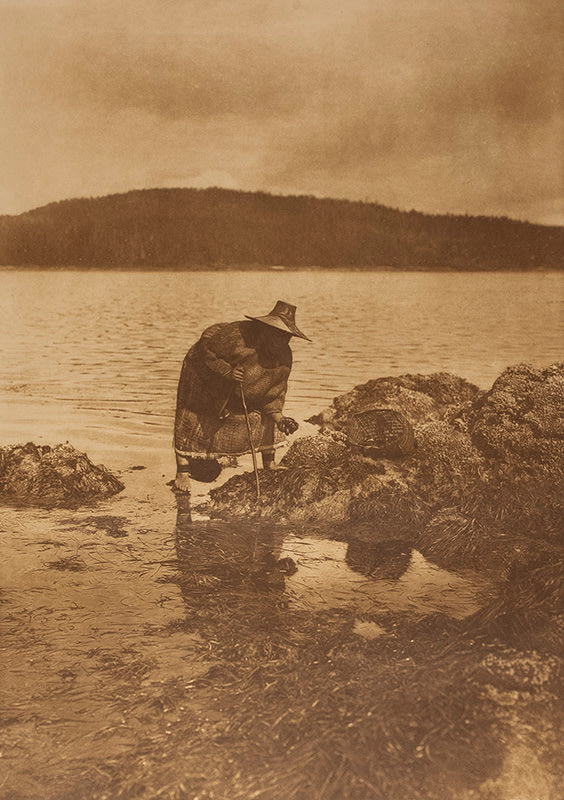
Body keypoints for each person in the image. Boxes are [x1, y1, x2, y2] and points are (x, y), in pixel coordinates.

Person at [174, 300, 311, 493]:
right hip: (202, 373)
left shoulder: (284, 357)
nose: (281, 341)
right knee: (191, 416)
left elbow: (274, 395)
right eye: (277, 335)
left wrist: (280, 418)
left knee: (262, 418)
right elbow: (206, 349)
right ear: (265, 330)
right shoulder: (238, 336)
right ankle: (182, 472)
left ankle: (269, 464)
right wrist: (226, 372)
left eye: (286, 337)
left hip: (236, 388)